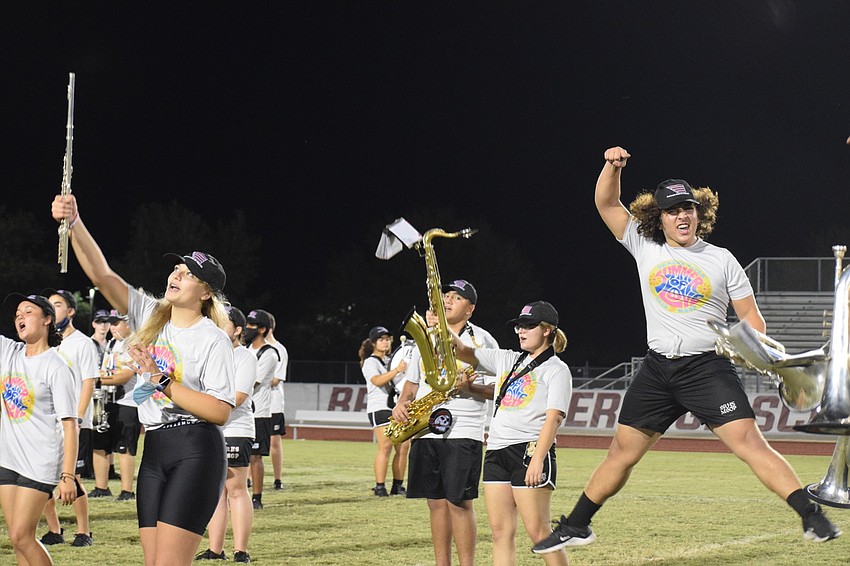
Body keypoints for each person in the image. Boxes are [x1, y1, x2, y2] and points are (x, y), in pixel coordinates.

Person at [532, 146, 841, 554]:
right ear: (657, 218)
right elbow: (605, 202)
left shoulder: (722, 259)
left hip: (706, 370)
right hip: (658, 370)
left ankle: (811, 516)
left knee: (750, 444)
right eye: (673, 210)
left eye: (688, 208)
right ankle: (576, 525)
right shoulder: (645, 245)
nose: (682, 216)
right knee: (621, 454)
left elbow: (754, 321)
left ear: (700, 213)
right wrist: (612, 167)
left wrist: (745, 344)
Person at [51, 193, 235, 566]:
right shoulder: (151, 314)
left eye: (187, 274)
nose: (175, 276)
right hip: (155, 449)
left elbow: (219, 411)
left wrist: (160, 379)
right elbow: (103, 275)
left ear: (205, 292)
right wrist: (74, 222)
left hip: (196, 449)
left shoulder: (212, 338)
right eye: (176, 270)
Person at [452, 300, 571, 566]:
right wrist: (439, 321)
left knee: (540, 534)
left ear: (547, 330)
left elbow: (553, 419)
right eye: (519, 325)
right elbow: (461, 350)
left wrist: (538, 459)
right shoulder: (507, 359)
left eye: (529, 326)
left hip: (529, 452)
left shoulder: (557, 369)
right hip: (496, 451)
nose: (521, 330)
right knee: (500, 533)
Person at [391, 279, 498, 566]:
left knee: (459, 503)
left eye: (457, 297)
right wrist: (402, 404)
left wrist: (471, 389)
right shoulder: (424, 337)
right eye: (446, 295)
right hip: (425, 429)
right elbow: (411, 385)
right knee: (435, 502)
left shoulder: (484, 341)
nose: (448, 300)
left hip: (464, 429)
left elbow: (497, 391)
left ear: (470, 309)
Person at [0, 294, 80, 566]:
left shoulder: (56, 367)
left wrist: (67, 475)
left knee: (21, 536)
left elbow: (70, 425)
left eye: (28, 311)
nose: (20, 317)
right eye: (17, 314)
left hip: (39, 461)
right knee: (18, 539)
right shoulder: (8, 352)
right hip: (8, 459)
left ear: (48, 319)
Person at [196, 307, 255, 563]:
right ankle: (215, 549)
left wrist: (205, 403)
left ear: (238, 330)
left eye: (224, 323)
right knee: (215, 491)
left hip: (236, 430)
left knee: (236, 489)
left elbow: (239, 397)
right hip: (211, 427)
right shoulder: (210, 351)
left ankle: (240, 551)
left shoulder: (244, 357)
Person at [40, 288, 98, 548]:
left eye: (59, 305)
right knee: (40, 477)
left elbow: (89, 382)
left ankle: (83, 531)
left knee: (72, 477)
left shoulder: (82, 343)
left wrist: (79, 416)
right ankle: (54, 530)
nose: (53, 309)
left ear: (71, 311)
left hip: (70, 421)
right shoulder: (46, 342)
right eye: (50, 305)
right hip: (44, 422)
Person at [359, 326, 409, 497]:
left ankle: (398, 485)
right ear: (373, 343)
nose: (386, 342)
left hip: (396, 407)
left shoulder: (392, 360)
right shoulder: (370, 362)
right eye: (381, 339)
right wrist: (397, 370)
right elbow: (378, 380)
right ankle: (380, 486)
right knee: (386, 446)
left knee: (403, 447)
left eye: (387, 339)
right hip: (379, 407)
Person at [98, 310, 142, 501]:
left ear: (128, 324)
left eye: (117, 324)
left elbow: (125, 375)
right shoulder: (111, 344)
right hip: (110, 400)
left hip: (129, 401)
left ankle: (127, 490)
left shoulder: (133, 344)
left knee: (125, 447)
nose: (112, 328)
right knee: (104, 445)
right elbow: (105, 370)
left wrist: (97, 381)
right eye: (111, 324)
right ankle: (102, 487)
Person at [244, 309, 279, 510]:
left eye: (252, 325)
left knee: (255, 456)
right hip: (243, 409)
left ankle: (257, 497)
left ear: (263, 329)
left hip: (260, 411)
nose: (248, 328)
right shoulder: (246, 349)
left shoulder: (269, 354)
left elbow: (253, 382)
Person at [265, 313, 288, 491]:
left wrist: (253, 379)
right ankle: (248, 478)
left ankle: (277, 479)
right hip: (255, 403)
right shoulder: (250, 347)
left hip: (273, 402)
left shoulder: (278, 349)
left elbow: (276, 379)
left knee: (274, 442)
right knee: (252, 443)